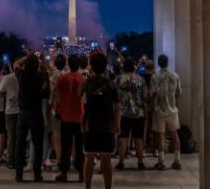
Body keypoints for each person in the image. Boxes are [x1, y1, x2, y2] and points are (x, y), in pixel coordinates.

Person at [81, 53, 120, 189]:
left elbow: (80, 104)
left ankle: (87, 187)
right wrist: (117, 124)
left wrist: (82, 123)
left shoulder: (86, 83)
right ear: (105, 67)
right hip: (107, 125)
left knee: (89, 158)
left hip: (90, 124)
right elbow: (117, 107)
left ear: (91, 66)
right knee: (106, 159)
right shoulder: (111, 85)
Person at [14, 53, 48, 182]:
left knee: (20, 144)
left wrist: (26, 57)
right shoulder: (40, 76)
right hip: (36, 113)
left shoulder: (21, 75)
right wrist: (40, 60)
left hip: (23, 113)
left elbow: (16, 64)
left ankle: (19, 173)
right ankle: (37, 174)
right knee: (37, 144)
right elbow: (46, 69)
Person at [54, 55, 86, 183]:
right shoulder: (83, 79)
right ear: (78, 65)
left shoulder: (62, 78)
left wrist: (56, 110)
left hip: (65, 116)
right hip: (79, 117)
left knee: (66, 146)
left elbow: (57, 96)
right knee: (79, 147)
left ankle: (64, 172)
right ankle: (81, 173)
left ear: (69, 63)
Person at [150, 54, 182, 171]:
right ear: (167, 62)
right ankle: (177, 160)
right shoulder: (175, 76)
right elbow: (178, 93)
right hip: (172, 109)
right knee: (174, 134)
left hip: (159, 110)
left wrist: (152, 107)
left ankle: (161, 161)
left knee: (161, 135)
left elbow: (152, 94)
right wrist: (175, 105)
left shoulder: (155, 77)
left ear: (158, 63)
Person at [115, 57, 147, 170]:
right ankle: (140, 162)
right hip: (138, 113)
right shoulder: (141, 80)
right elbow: (144, 97)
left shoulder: (118, 79)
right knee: (138, 138)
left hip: (123, 114)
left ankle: (121, 162)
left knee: (123, 138)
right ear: (134, 66)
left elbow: (116, 98)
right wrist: (146, 112)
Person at [0, 61, 20, 169]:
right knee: (20, 137)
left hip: (10, 110)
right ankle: (19, 159)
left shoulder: (7, 78)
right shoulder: (23, 77)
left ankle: (10, 160)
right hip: (20, 110)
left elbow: (1, 91)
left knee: (11, 137)